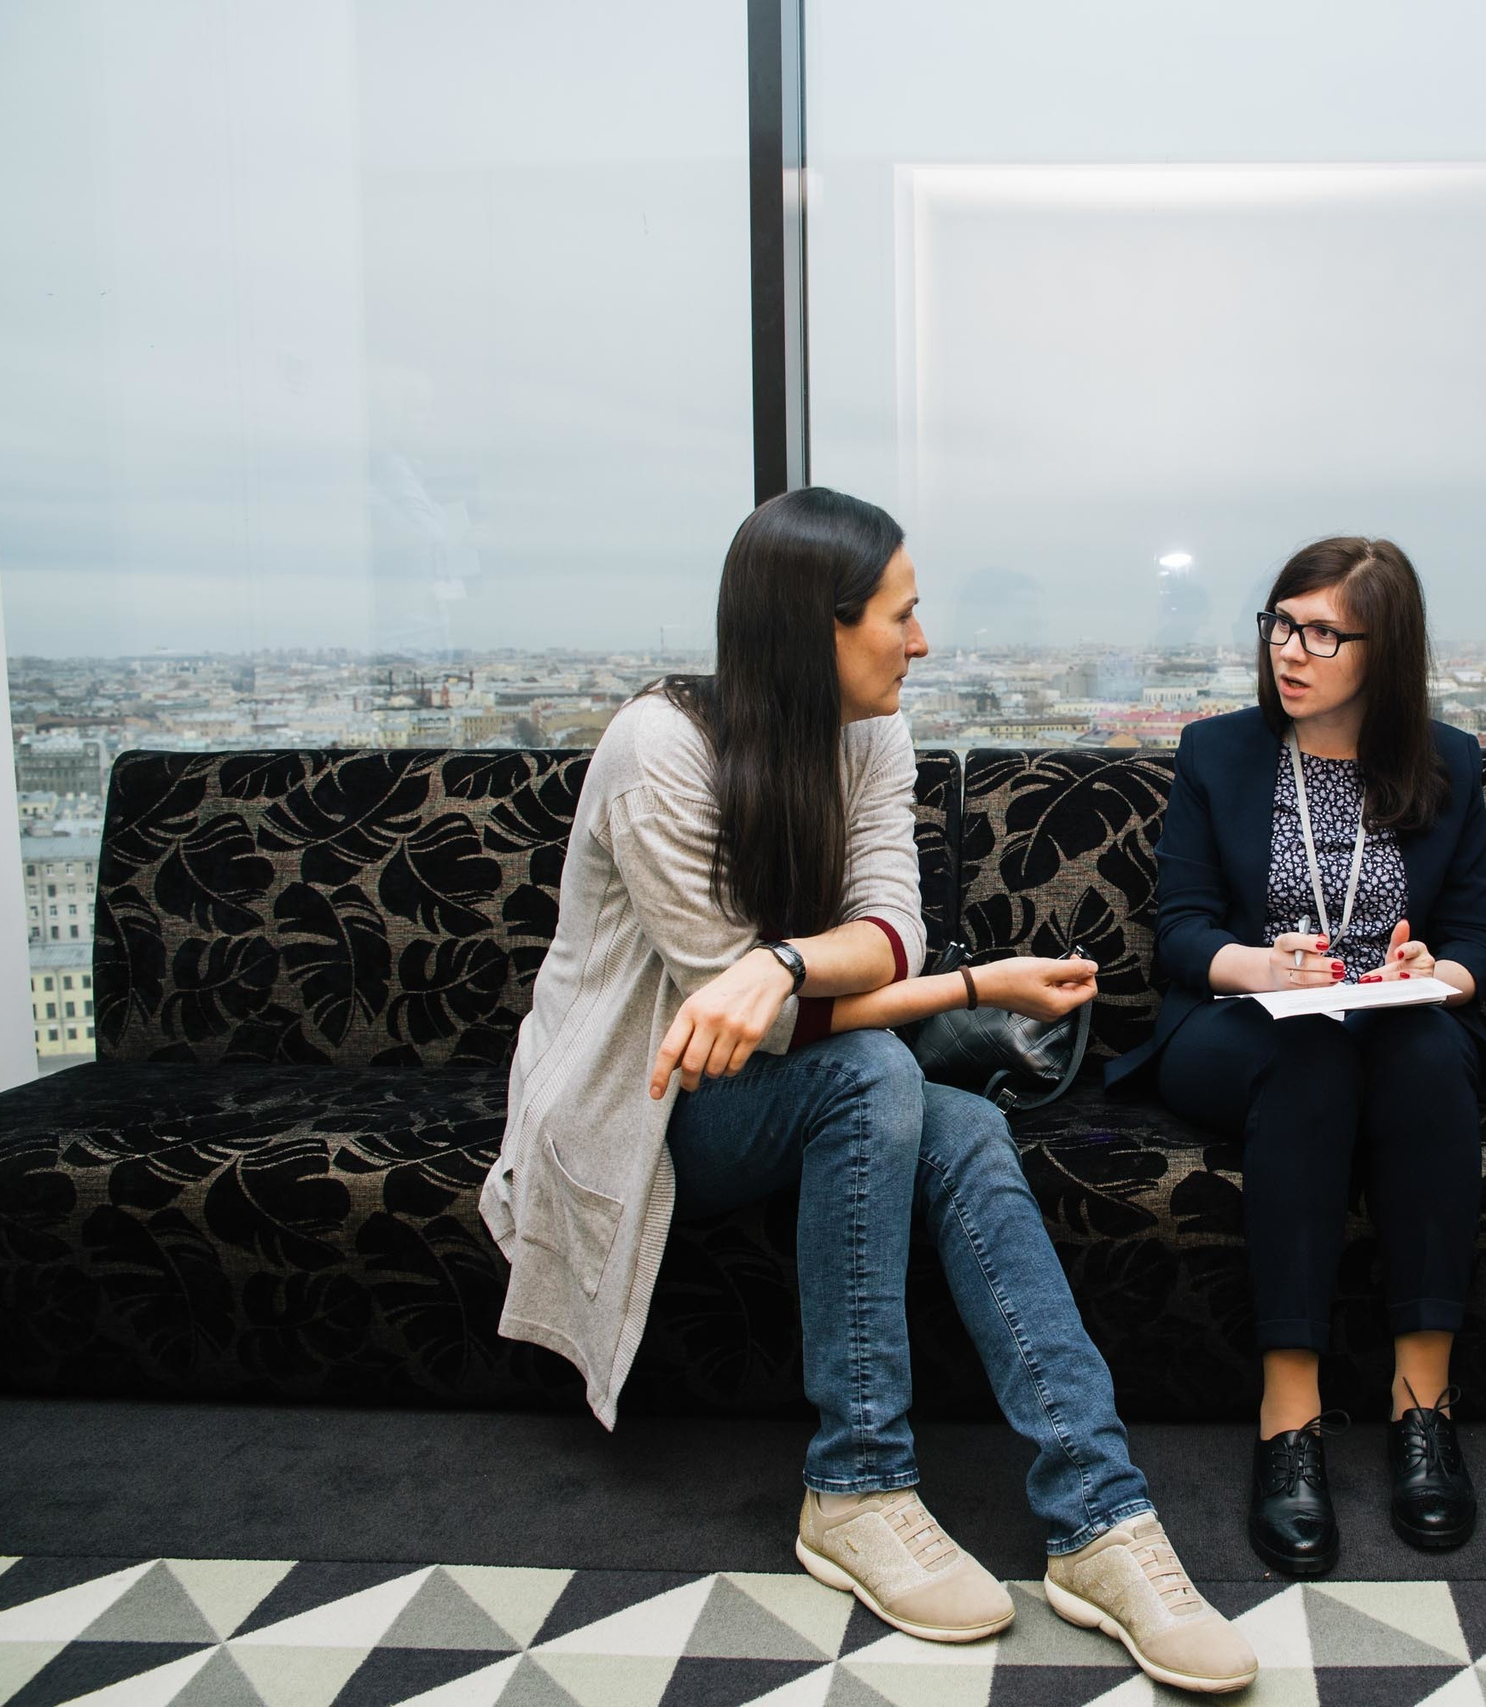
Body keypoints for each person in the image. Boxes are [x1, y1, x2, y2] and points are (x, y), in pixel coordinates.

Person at [481, 488, 1255, 1694]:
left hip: (803, 1063)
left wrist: (793, 960)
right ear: (816, 628)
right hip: (642, 1102)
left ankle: (1102, 1521)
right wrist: (949, 986)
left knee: (959, 1127)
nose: (922, 639)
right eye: (900, 614)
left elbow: (886, 934)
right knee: (868, 1072)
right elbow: (749, 1027)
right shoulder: (658, 752)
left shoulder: (870, 730)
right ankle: (855, 1482)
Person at [1104, 537, 1486, 1576]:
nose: (1293, 649)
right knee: (1315, 1060)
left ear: (1387, 650)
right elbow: (1180, 932)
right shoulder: (1218, 753)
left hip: (1396, 1018)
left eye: (1324, 632)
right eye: (1281, 622)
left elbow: (1473, 944)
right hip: (1246, 1030)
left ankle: (1423, 1400)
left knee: (1418, 1053)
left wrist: (1430, 967)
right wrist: (1259, 968)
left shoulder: (1448, 762)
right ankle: (1291, 1415)